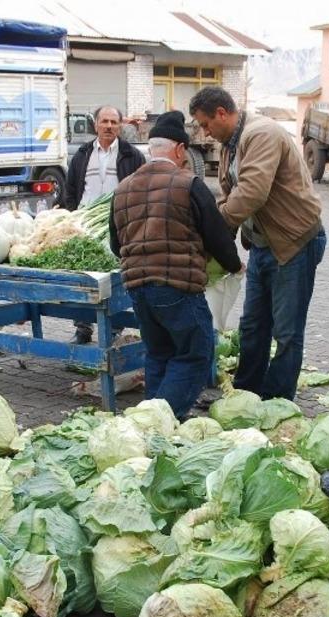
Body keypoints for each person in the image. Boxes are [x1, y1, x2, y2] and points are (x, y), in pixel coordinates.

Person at [189, 86, 326, 401]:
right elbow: (228, 196)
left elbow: (251, 193)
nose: (206, 133)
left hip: (294, 243)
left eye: (206, 124)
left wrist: (214, 231)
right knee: (253, 325)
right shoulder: (230, 145)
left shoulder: (261, 133)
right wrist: (220, 246)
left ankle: (277, 401)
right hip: (264, 245)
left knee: (287, 331)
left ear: (222, 113)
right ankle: (247, 394)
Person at [109, 111, 240, 418]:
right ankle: (160, 420)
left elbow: (117, 245)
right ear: (180, 149)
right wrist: (233, 265)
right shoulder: (189, 184)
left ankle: (149, 421)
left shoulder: (123, 188)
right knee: (195, 353)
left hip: (137, 288)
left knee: (158, 354)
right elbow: (217, 236)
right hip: (177, 286)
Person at [63, 105, 144, 344]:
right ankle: (82, 328)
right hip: (86, 226)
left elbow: (140, 190)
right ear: (96, 124)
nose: (109, 126)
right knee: (82, 279)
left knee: (115, 279)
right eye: (104, 121)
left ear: (120, 126)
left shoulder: (132, 156)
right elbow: (70, 190)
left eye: (114, 122)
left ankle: (114, 329)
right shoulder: (82, 153)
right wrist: (73, 217)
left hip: (118, 227)